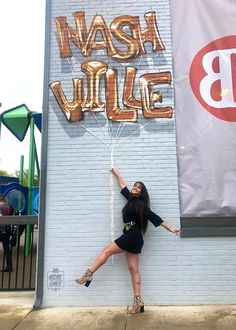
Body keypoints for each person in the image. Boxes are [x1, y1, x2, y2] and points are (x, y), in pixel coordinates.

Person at [76, 168, 180, 313]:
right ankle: (138, 302)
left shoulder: (142, 205)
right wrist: (117, 174)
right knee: (133, 270)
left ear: (142, 192)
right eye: (135, 186)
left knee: (106, 251)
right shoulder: (130, 199)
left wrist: (171, 228)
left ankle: (88, 275)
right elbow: (123, 186)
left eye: (138, 187)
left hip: (132, 236)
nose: (135, 188)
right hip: (133, 237)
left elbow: (155, 218)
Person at [0, 194, 13, 272]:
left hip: (1, 230)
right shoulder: (8, 207)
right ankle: (9, 266)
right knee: (7, 249)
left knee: (7, 248)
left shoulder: (0, 207)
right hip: (8, 230)